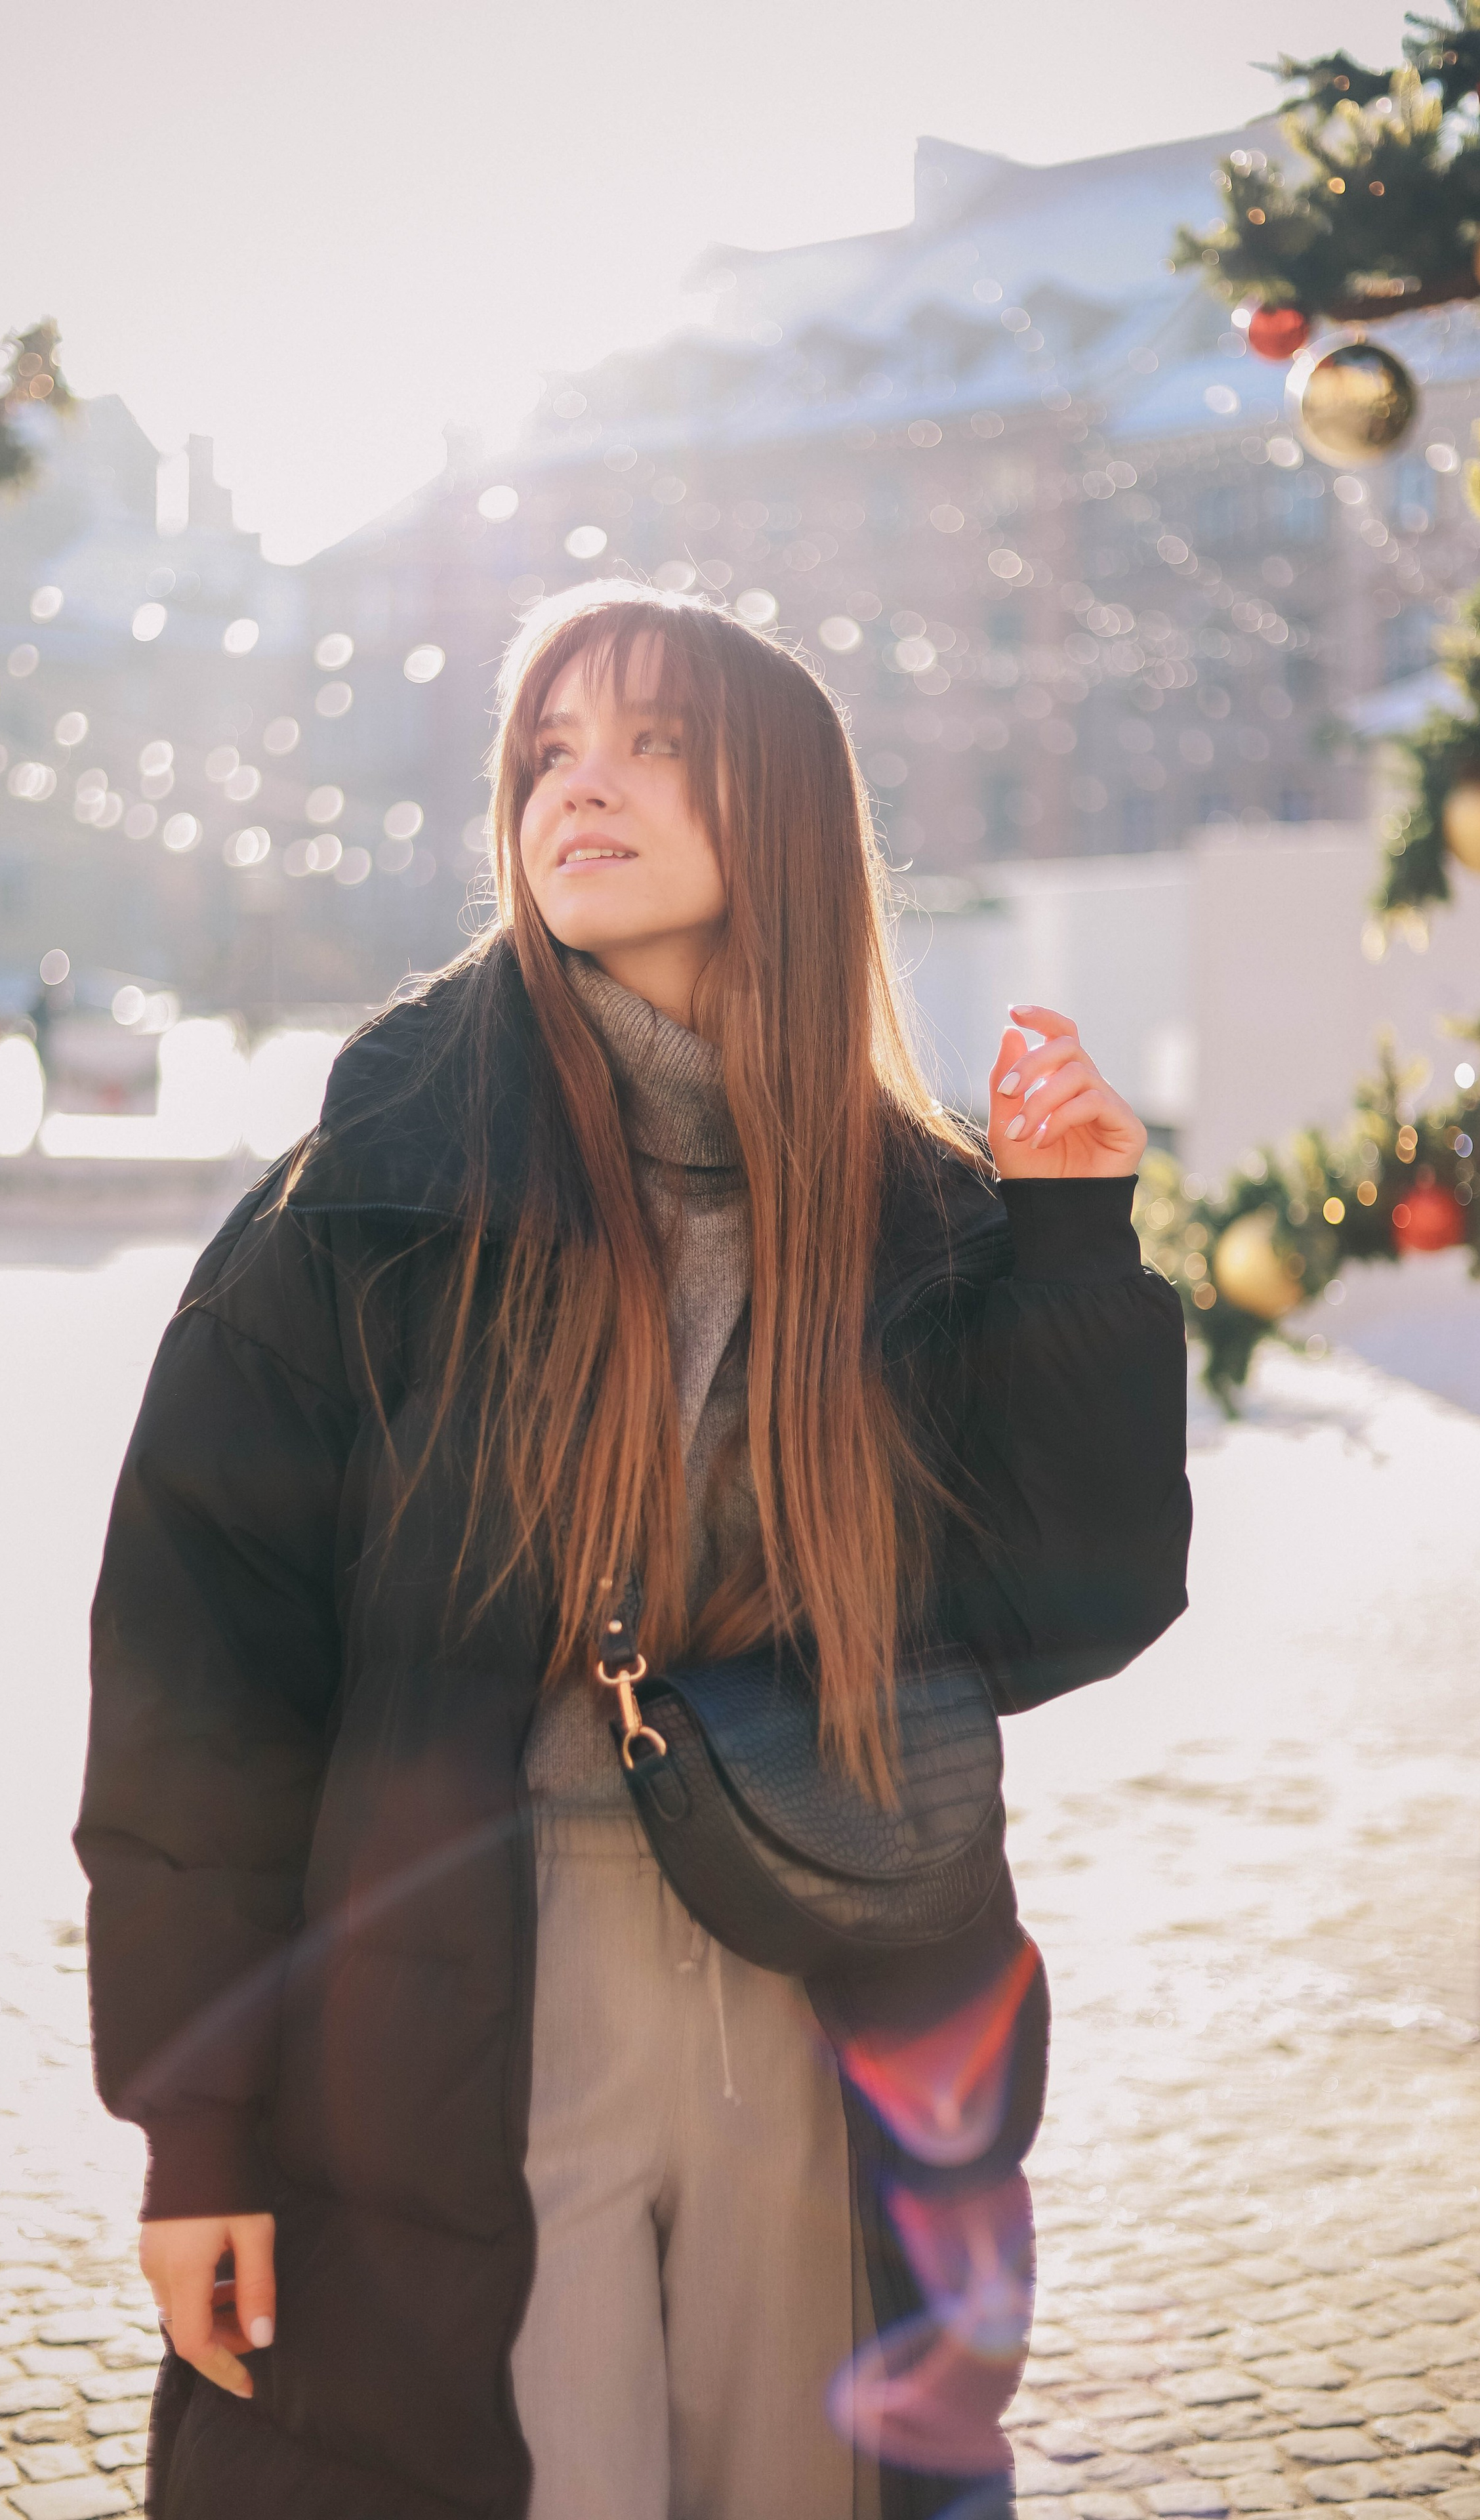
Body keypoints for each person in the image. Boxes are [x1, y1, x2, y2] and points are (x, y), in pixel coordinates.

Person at [77, 581, 1191, 2520]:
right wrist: (199, 2135)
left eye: (655, 744)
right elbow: (200, 1687)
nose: (579, 791)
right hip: (463, 1999)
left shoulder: (915, 1214)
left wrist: (1073, 1243)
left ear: (789, 813)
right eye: (548, 755)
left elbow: (1066, 1608)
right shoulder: (376, 1198)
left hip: (838, 1981)